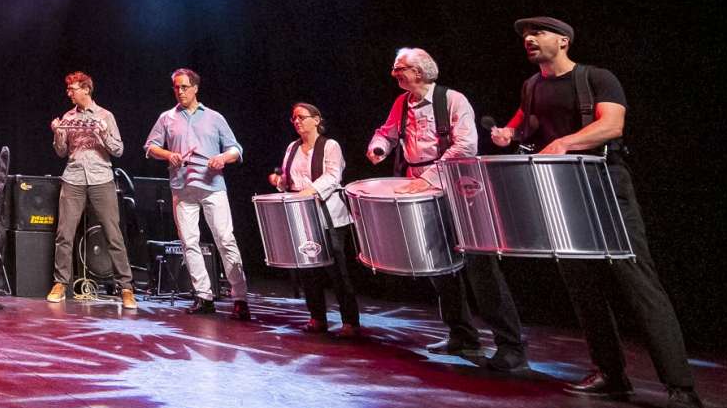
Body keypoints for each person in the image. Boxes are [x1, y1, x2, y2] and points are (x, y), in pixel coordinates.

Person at [492, 17, 705, 408]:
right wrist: (509, 135)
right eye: (525, 36)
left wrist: (563, 144)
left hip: (604, 183)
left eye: (537, 34)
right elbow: (525, 127)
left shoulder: (597, 78)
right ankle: (611, 374)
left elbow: (612, 125)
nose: (529, 40)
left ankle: (682, 389)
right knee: (581, 284)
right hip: (563, 190)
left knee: (636, 280)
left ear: (564, 40)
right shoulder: (532, 86)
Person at [368, 47, 529, 372]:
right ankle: (462, 333)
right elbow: (387, 131)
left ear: (421, 71)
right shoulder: (402, 103)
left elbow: (465, 146)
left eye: (400, 68)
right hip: (421, 189)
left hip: (459, 188)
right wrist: (380, 147)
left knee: (480, 268)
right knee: (439, 266)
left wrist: (428, 177)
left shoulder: (453, 100)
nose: (394, 74)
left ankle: (511, 346)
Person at [144, 69, 251, 318]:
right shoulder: (167, 118)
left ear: (195, 88)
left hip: (212, 187)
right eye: (176, 87)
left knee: (225, 239)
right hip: (182, 188)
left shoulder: (214, 117)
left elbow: (236, 148)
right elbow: (150, 147)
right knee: (189, 242)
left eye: (184, 87)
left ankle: (240, 297)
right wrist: (169, 154)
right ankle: (203, 296)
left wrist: (223, 158)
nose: (179, 91)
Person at [48, 72, 137, 309]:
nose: (69, 93)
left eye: (73, 88)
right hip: (74, 178)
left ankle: (126, 287)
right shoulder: (68, 117)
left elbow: (118, 150)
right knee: (64, 233)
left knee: (113, 233)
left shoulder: (105, 115)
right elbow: (60, 151)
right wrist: (58, 133)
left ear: (86, 89)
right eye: (68, 89)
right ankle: (60, 284)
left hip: (101, 178)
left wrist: (103, 133)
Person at [270, 103, 360, 335]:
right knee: (309, 269)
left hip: (328, 216)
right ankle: (317, 317)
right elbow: (288, 178)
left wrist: (308, 192)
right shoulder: (293, 147)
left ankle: (350, 321)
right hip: (302, 215)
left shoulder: (330, 146)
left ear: (316, 119)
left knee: (337, 270)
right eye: (294, 118)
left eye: (301, 117)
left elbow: (332, 176)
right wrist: (279, 181)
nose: (297, 121)